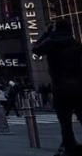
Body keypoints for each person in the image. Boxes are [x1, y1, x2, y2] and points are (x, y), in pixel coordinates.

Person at [32, 18, 82, 156]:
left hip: (61, 88)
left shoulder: (52, 42)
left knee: (65, 123)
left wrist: (46, 33)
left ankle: (70, 147)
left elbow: (35, 49)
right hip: (78, 87)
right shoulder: (74, 42)